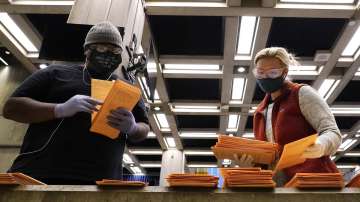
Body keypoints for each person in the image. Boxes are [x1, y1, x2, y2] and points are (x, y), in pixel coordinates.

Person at [2, 21, 149, 185]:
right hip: (40, 173)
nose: (109, 54)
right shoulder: (55, 73)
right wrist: (59, 109)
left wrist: (133, 128)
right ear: (87, 50)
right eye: (102, 48)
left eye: (115, 50)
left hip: (102, 181)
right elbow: (10, 108)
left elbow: (144, 128)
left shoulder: (127, 89)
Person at [233, 47, 342, 186]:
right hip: (281, 189)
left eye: (272, 73)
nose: (265, 77)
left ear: (284, 72)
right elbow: (269, 159)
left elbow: (332, 132)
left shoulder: (301, 94)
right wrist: (250, 166)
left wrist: (321, 145)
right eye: (260, 73)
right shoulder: (260, 111)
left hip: (313, 184)